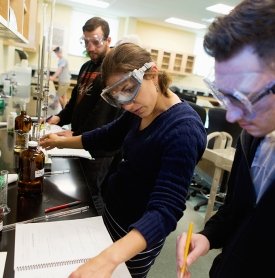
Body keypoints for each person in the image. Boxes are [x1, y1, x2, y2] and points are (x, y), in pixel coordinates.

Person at [40, 43, 207, 278]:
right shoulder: (139, 110)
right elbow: (106, 136)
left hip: (138, 235)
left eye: (130, 90)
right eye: (119, 98)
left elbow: (166, 208)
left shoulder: (184, 130)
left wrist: (109, 258)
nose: (127, 104)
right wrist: (59, 141)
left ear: (152, 74)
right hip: (113, 212)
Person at [176, 1, 275, 278]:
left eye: (241, 98)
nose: (230, 116)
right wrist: (208, 237)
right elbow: (238, 211)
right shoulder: (253, 137)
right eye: (224, 96)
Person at [47, 17, 120, 138]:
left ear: (108, 40)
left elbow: (103, 115)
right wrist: (59, 118)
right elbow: (75, 102)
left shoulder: (115, 69)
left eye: (96, 42)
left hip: (98, 146)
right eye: (86, 42)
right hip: (80, 139)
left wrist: (78, 135)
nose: (90, 48)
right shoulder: (86, 67)